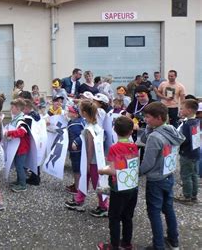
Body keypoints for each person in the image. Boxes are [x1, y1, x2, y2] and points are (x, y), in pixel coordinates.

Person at [140, 102, 185, 250]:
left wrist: (135, 174)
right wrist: (148, 127)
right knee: (168, 209)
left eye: (148, 117)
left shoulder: (155, 137)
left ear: (159, 118)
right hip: (168, 176)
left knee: (154, 212)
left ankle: (158, 245)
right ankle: (174, 240)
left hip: (155, 180)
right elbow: (146, 139)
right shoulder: (171, 129)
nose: (145, 119)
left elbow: (147, 163)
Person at [97, 116, 139, 250]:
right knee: (127, 216)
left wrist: (101, 171)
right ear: (131, 131)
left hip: (118, 188)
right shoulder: (134, 146)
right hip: (132, 186)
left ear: (114, 130)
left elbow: (113, 170)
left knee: (114, 217)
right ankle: (127, 243)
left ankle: (113, 245)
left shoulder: (114, 148)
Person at [65, 100, 109, 217]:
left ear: (84, 113)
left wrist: (88, 163)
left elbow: (90, 148)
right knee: (85, 179)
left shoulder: (89, 128)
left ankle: (104, 206)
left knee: (97, 184)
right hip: (95, 160)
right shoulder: (95, 126)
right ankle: (79, 200)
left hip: (92, 162)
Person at [174, 99, 200, 204]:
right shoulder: (197, 121)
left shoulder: (186, 125)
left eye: (182, 108)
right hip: (195, 152)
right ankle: (194, 195)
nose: (180, 110)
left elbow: (183, 139)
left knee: (186, 175)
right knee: (194, 174)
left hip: (187, 153)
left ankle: (187, 196)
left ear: (188, 110)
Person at [5, 98, 30, 192]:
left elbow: (22, 132)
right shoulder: (16, 118)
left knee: (20, 166)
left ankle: (23, 185)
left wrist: (9, 132)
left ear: (18, 109)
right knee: (17, 164)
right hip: (17, 147)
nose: (11, 109)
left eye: (12, 107)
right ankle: (19, 181)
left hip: (21, 148)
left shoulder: (22, 119)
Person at [125, 86, 154, 159]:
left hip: (149, 131)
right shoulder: (134, 103)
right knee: (132, 152)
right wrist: (133, 123)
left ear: (147, 94)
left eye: (142, 95)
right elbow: (127, 116)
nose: (140, 98)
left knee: (145, 154)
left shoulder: (153, 103)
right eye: (137, 96)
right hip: (135, 131)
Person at [65, 104, 85, 195]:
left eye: (70, 111)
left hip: (76, 150)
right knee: (75, 168)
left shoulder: (76, 124)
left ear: (76, 114)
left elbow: (82, 135)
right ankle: (76, 184)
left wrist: (76, 142)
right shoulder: (76, 121)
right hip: (75, 150)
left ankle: (77, 188)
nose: (68, 112)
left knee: (76, 169)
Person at [23, 99, 42, 186]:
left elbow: (26, 130)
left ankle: (35, 179)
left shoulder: (29, 118)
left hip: (32, 140)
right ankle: (36, 177)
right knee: (36, 159)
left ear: (27, 108)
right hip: (38, 140)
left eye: (23, 108)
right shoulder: (37, 114)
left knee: (33, 158)